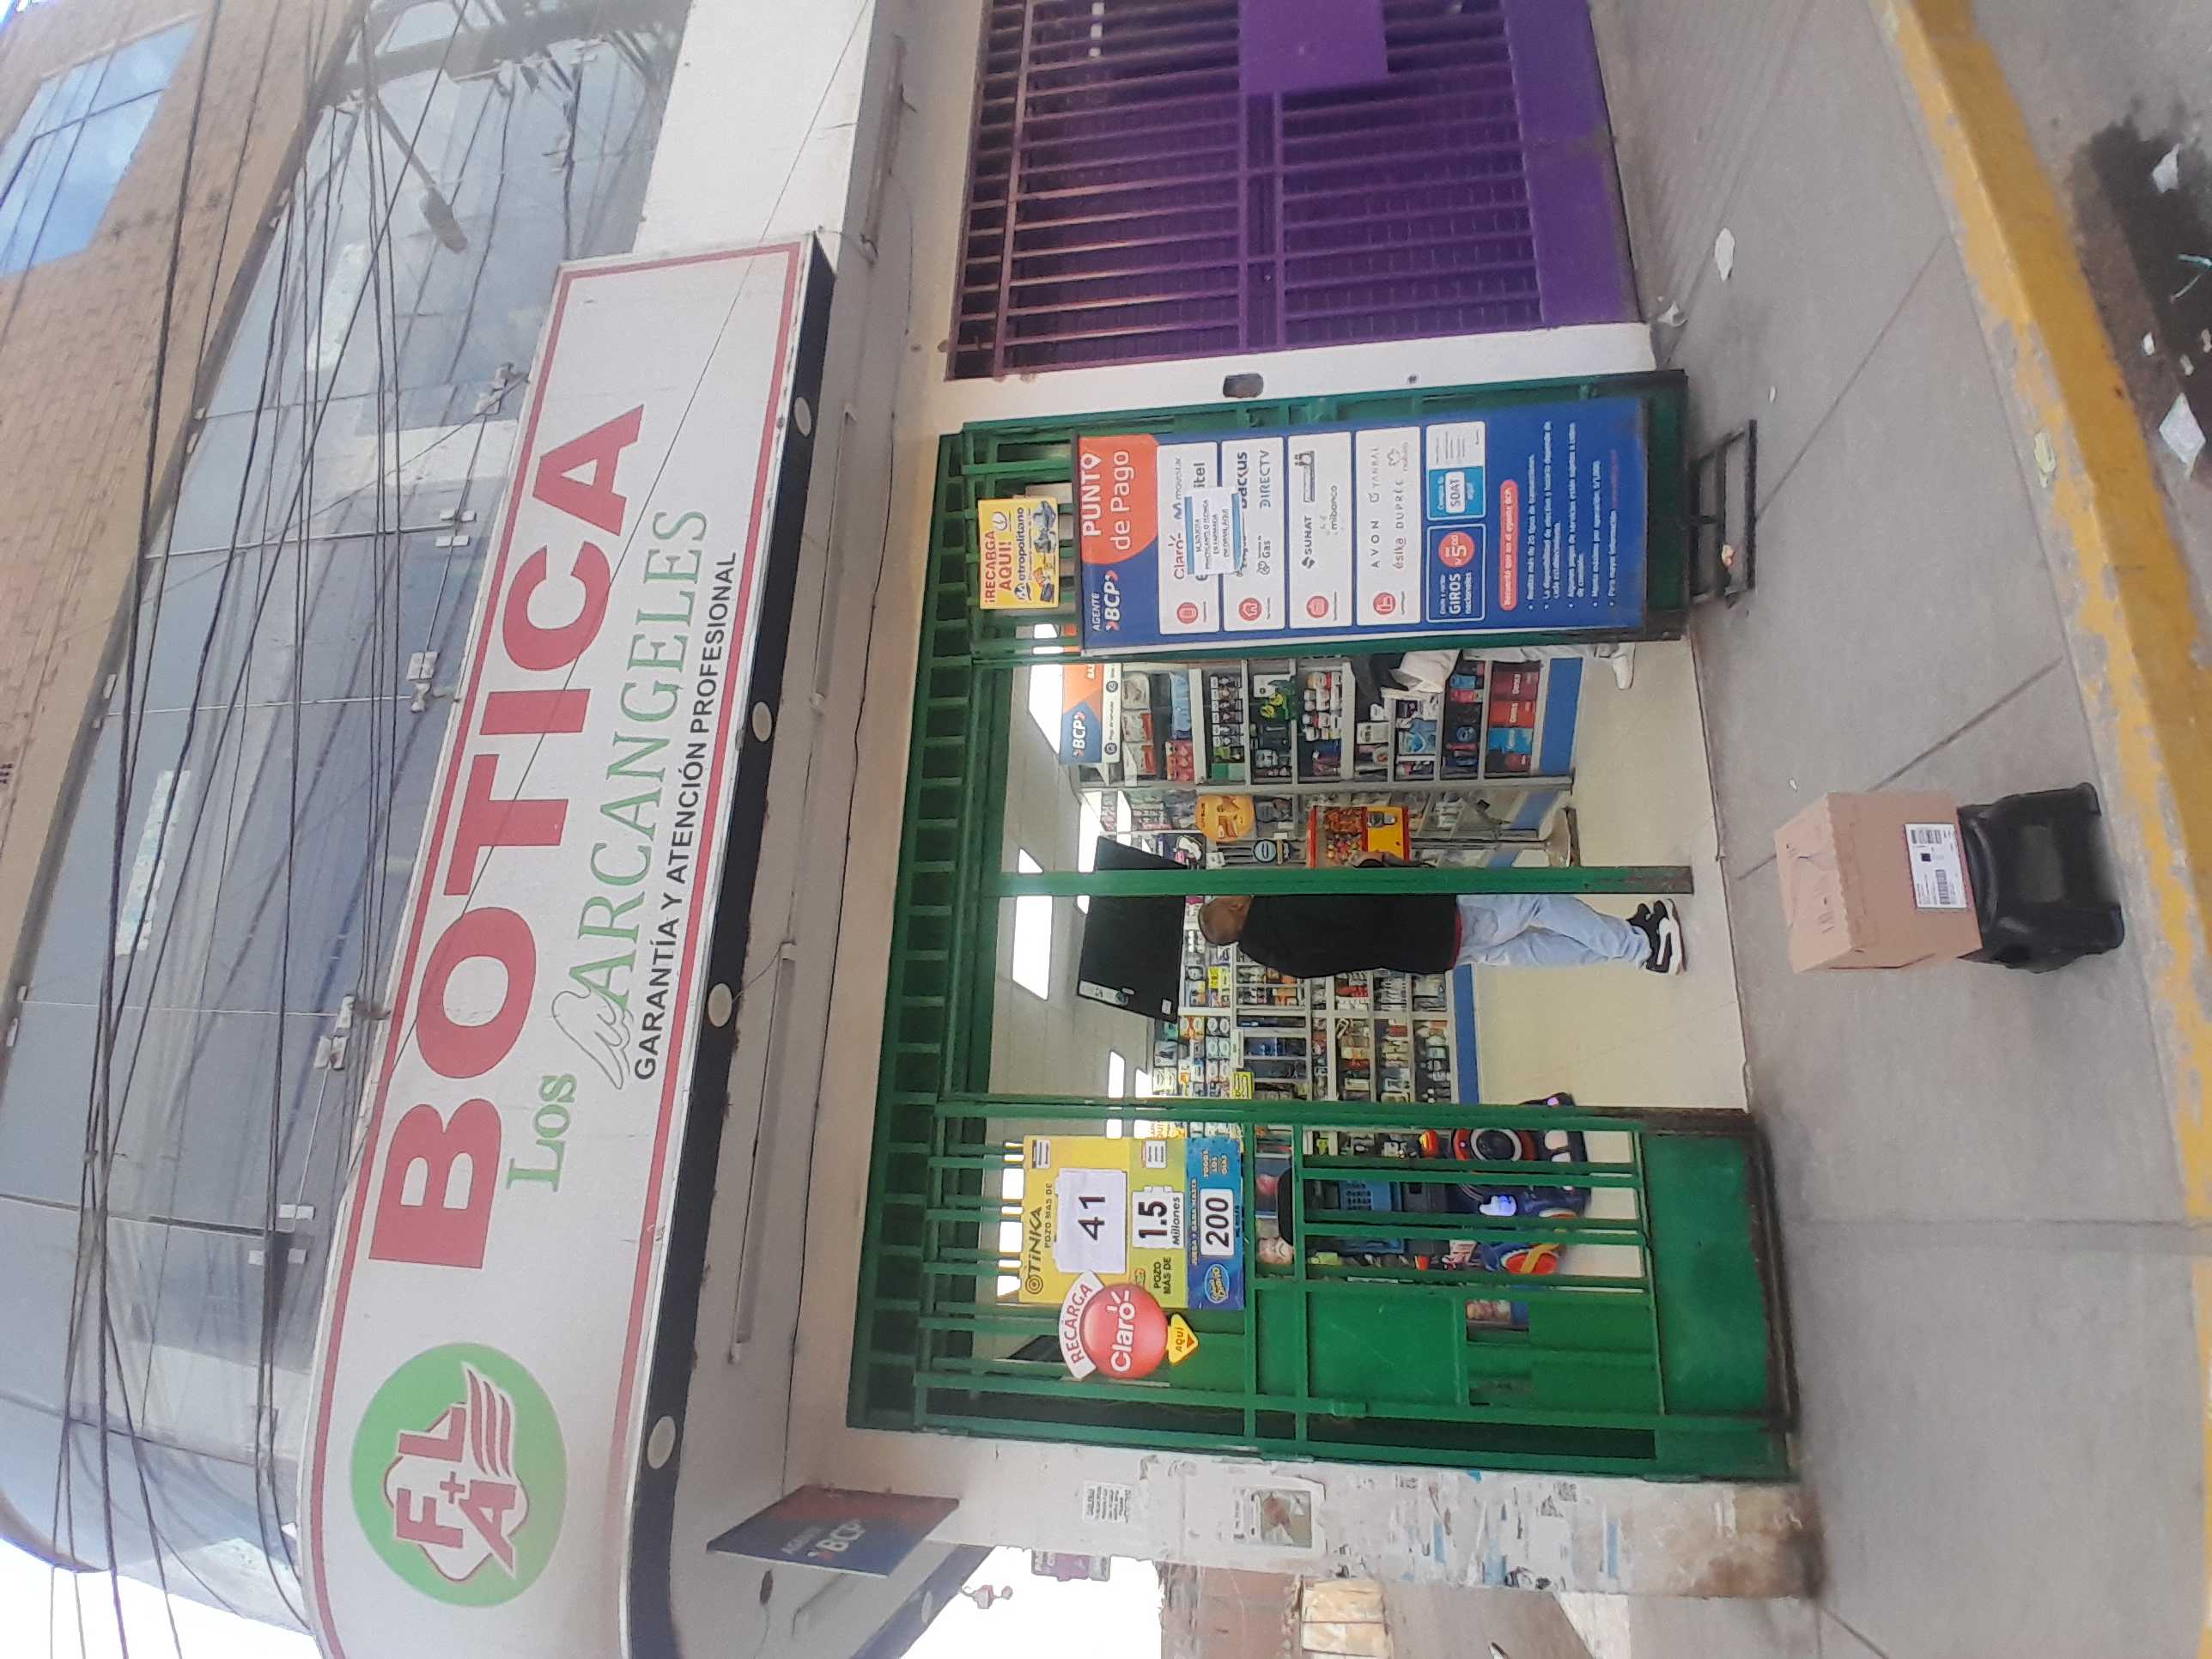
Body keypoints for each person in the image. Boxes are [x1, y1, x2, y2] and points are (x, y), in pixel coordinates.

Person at [1197, 886, 1682, 976]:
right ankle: (1640, 946)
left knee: (1525, 948)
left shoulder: (1276, 953)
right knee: (1533, 901)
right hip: (1429, 918)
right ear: (1236, 906)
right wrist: (1372, 870)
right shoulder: (1281, 909)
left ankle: (1627, 942)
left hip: (1425, 953)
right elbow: (1354, 906)